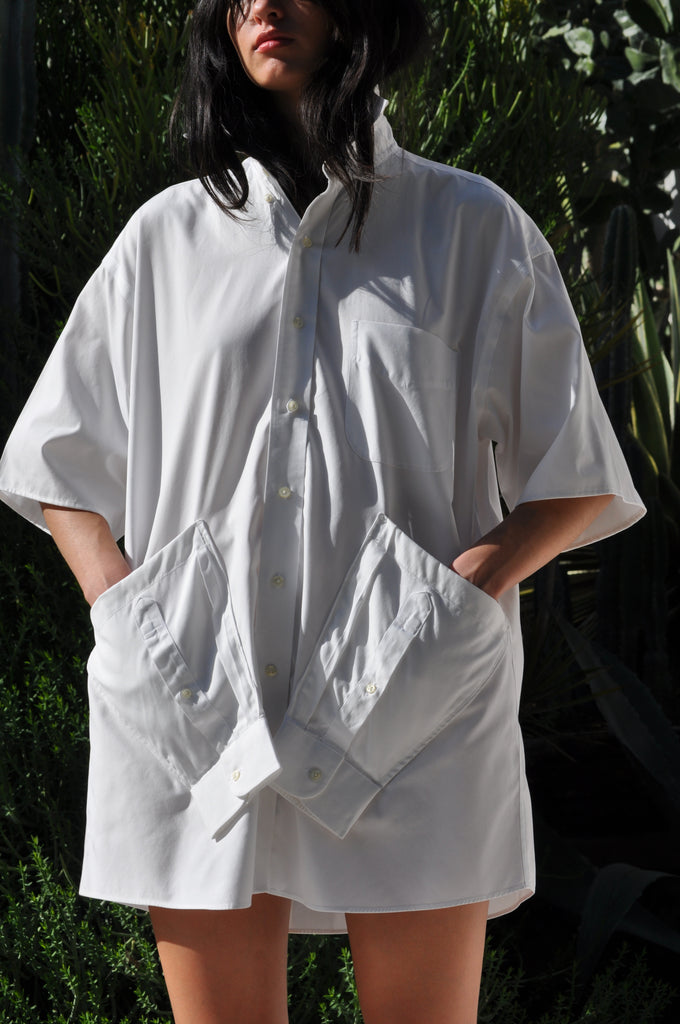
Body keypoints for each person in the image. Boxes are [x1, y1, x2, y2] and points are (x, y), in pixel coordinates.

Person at [0, 2, 645, 1022]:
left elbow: (574, 470)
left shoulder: (470, 227)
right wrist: (127, 612)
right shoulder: (165, 240)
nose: (264, 3)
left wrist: (460, 593)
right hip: (199, 699)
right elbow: (56, 459)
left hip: (417, 701)